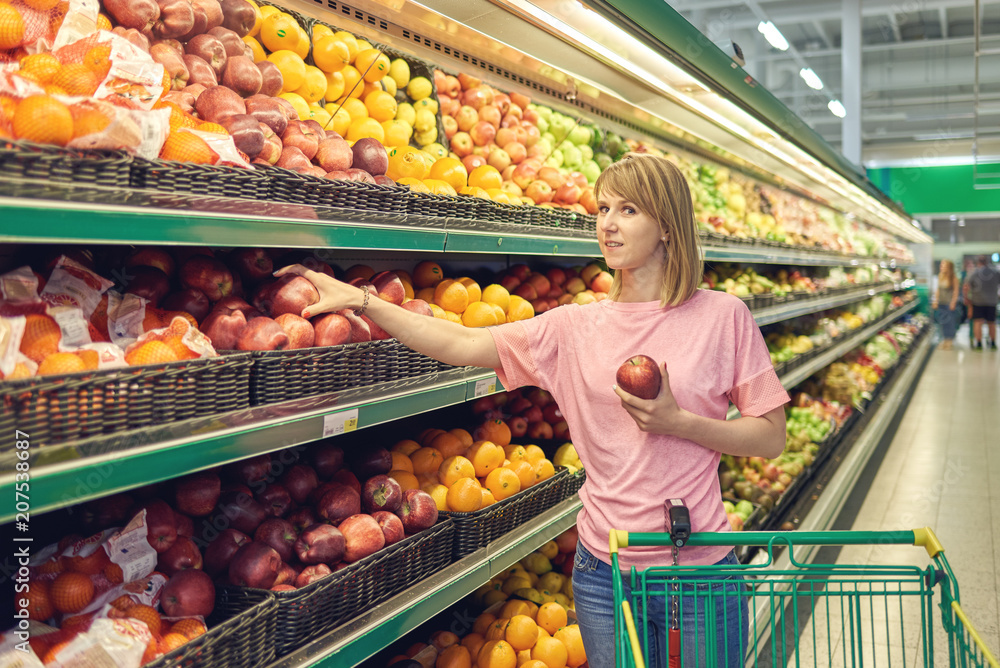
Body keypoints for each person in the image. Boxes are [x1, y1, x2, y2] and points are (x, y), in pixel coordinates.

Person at [276, 154, 789, 668]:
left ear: (668, 227)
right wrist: (364, 302)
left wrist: (681, 424)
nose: (607, 223)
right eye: (603, 207)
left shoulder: (723, 317)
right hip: (604, 570)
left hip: (698, 567)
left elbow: (770, 435)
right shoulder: (571, 328)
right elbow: (459, 341)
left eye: (628, 210)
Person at [963, 255, 999, 350]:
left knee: (978, 322)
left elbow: (966, 286)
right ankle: (993, 343)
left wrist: (967, 299)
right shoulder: (995, 272)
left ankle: (979, 343)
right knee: (992, 323)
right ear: (987, 262)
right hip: (992, 301)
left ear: (978, 262)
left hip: (978, 301)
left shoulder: (974, 273)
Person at [932, 259, 959, 349]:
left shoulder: (953, 278)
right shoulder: (940, 276)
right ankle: (944, 339)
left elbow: (956, 291)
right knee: (942, 322)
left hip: (949, 304)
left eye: (944, 265)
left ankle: (949, 340)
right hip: (941, 303)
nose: (942, 267)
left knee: (950, 322)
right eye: (941, 265)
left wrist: (953, 302)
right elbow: (938, 290)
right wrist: (935, 301)